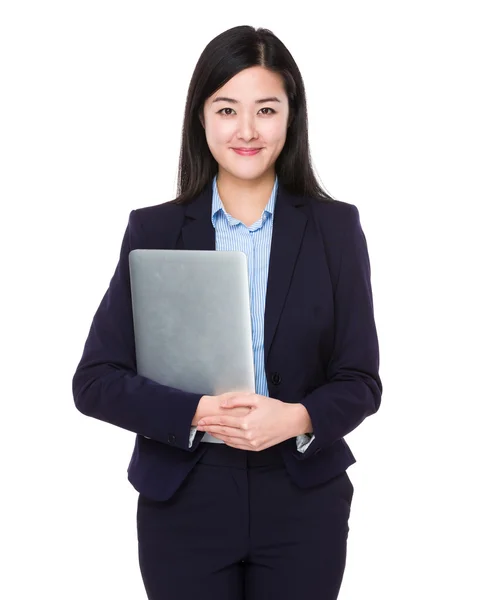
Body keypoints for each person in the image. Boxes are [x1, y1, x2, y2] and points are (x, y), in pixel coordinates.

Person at [72, 24, 382, 600]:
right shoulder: (156, 230)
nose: (246, 130)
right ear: (201, 117)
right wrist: (197, 411)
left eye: (266, 109)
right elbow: (94, 382)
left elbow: (360, 381)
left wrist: (292, 419)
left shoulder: (335, 230)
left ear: (291, 117)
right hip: (186, 496)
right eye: (226, 109)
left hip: (301, 499)